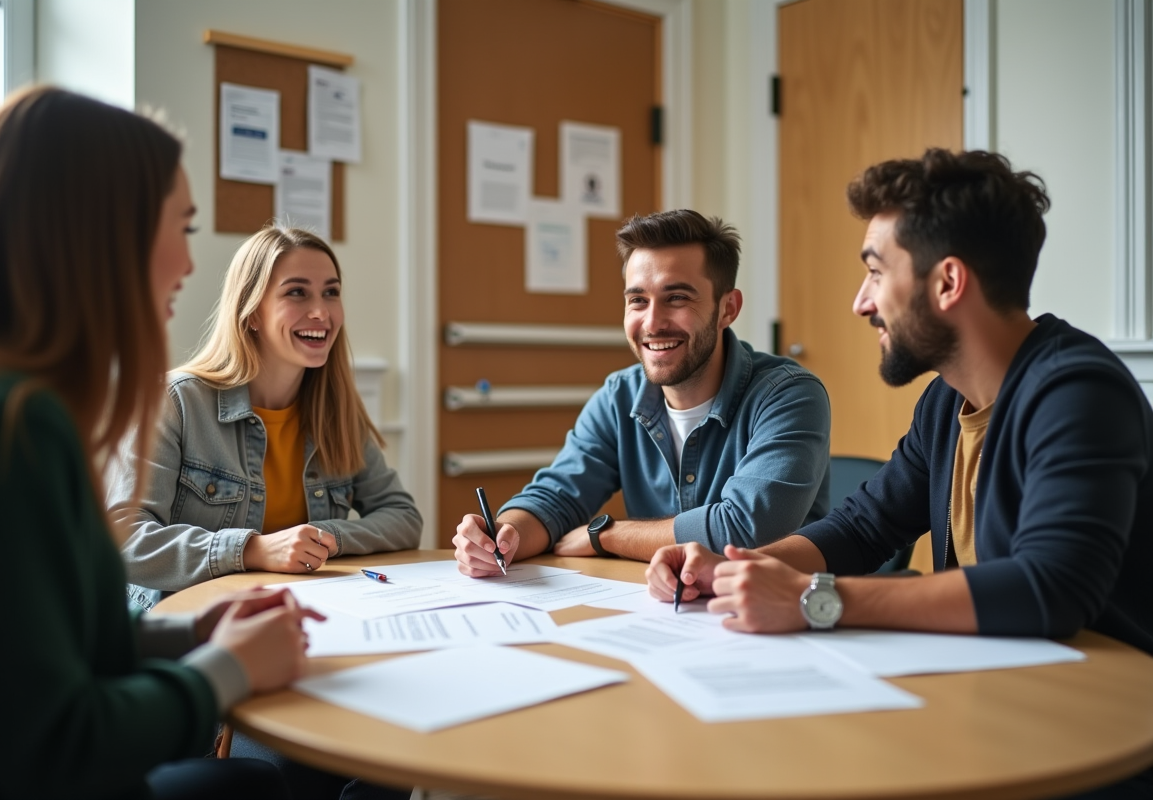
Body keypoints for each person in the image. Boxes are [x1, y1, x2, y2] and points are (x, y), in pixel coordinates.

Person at [647, 150, 1152, 799]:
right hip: (993, 701)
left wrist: (813, 601)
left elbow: (1050, 589)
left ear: (947, 283)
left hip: (1094, 743)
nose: (861, 303)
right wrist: (740, 566)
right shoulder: (947, 400)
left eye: (876, 273)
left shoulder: (1077, 392)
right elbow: (863, 526)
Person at [0, 86, 322, 800]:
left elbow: (43, 646)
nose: (189, 264)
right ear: (102, 234)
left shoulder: (13, 402)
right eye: (181, 227)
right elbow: (58, 744)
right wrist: (229, 670)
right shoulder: (7, 426)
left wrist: (193, 634)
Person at [454, 209, 831, 576]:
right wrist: (504, 536)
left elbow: (743, 530)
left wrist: (606, 535)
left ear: (727, 308)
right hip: (664, 608)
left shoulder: (790, 395)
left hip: (776, 618)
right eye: (637, 300)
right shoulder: (620, 395)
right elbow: (557, 497)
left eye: (677, 298)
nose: (652, 323)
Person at [109, 225, 422, 613]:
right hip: (179, 621)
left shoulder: (335, 410)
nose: (321, 312)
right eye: (297, 292)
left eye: (331, 292)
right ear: (252, 311)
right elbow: (123, 540)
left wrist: (324, 538)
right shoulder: (175, 401)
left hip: (295, 613)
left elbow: (404, 517)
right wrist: (252, 549)